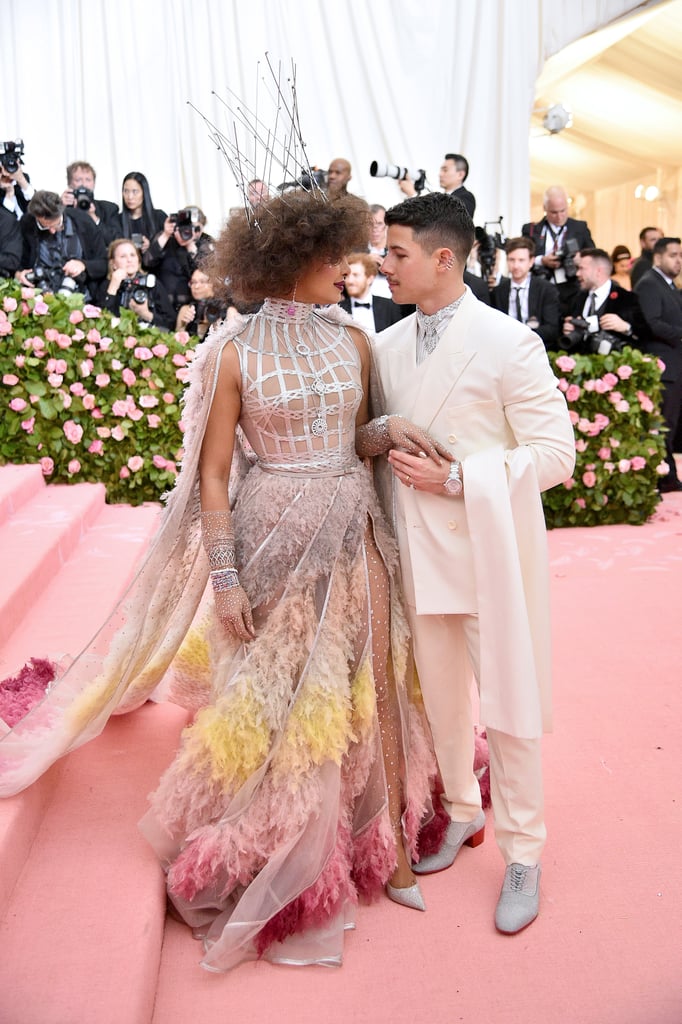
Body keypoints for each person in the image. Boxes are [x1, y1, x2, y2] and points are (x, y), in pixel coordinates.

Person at [0, 188, 442, 972]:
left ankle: (389, 845)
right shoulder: (233, 353)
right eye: (328, 258)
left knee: (369, 675)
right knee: (280, 703)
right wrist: (227, 578)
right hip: (269, 533)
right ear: (288, 262)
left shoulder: (355, 341)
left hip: (353, 528)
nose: (344, 270)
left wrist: (389, 430)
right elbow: (211, 478)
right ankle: (280, 842)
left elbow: (357, 435)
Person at [373, 191, 576, 934]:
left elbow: (558, 455)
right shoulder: (387, 347)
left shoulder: (509, 342)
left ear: (443, 258)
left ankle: (525, 849)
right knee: (437, 697)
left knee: (511, 706)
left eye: (395, 253)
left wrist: (462, 479)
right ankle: (462, 809)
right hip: (417, 556)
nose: (383, 265)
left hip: (489, 553)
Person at [634, 236, 682, 491]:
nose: (679, 261)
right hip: (663, 365)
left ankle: (668, 475)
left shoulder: (669, 285)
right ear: (659, 256)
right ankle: (663, 477)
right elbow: (652, 323)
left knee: (670, 423)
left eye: (681, 256)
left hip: (674, 364)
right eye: (674, 255)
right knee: (663, 424)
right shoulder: (649, 284)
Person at [15, 190, 107, 299]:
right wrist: (19, 274)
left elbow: (104, 263)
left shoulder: (83, 221)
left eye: (57, 225)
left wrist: (84, 265)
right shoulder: (27, 223)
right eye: (45, 227)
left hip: (81, 297)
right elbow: (16, 262)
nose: (52, 231)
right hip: (40, 297)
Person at [522, 186, 594, 317]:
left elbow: (593, 255)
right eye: (554, 212)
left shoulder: (580, 227)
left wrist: (579, 258)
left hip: (572, 289)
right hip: (541, 288)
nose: (560, 217)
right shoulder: (531, 230)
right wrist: (542, 260)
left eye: (563, 211)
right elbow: (524, 255)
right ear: (545, 208)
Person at [561, 247, 648, 354]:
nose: (577, 273)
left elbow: (646, 335)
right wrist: (567, 329)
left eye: (581, 268)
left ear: (598, 271)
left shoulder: (627, 298)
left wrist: (626, 328)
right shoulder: (575, 298)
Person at [492, 237, 560, 349]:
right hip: (505, 348)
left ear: (531, 261)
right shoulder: (499, 291)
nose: (516, 266)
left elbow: (551, 328)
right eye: (511, 260)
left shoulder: (546, 289)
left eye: (521, 260)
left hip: (536, 347)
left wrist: (522, 337)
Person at [143, 205, 215, 311]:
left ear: (202, 228)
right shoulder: (167, 239)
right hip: (163, 305)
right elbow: (147, 262)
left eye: (196, 228)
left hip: (192, 308)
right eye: (188, 227)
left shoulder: (206, 242)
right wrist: (166, 234)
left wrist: (190, 245)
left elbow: (206, 273)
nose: (191, 232)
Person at [96, 238, 176, 331]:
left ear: (138, 261)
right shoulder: (107, 285)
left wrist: (146, 314)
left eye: (133, 255)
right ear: (114, 264)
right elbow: (101, 323)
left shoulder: (152, 284)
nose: (129, 260)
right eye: (123, 256)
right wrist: (113, 286)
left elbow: (171, 322)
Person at [340, 251, 408, 332]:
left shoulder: (390, 306)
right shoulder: (338, 310)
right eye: (346, 276)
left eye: (356, 275)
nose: (349, 281)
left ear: (370, 279)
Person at [399, 154, 476, 219]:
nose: (440, 174)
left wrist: (413, 194)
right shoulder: (438, 197)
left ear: (460, 175)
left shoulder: (466, 197)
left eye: (445, 170)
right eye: (441, 170)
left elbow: (443, 221)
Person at [60, 161, 120, 244]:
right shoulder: (63, 208)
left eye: (88, 180)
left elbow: (115, 242)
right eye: (78, 180)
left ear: (94, 183)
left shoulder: (108, 209)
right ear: (69, 184)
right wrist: (59, 207)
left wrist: (94, 218)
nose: (84, 184)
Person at [115, 171, 166, 254]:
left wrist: (151, 247)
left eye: (135, 192)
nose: (130, 197)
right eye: (126, 191)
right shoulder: (117, 220)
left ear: (144, 193)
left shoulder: (159, 217)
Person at [175, 266, 233, 340]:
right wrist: (183, 326)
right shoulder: (186, 310)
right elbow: (175, 346)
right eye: (193, 282)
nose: (196, 286)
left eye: (202, 282)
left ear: (215, 284)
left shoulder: (229, 311)